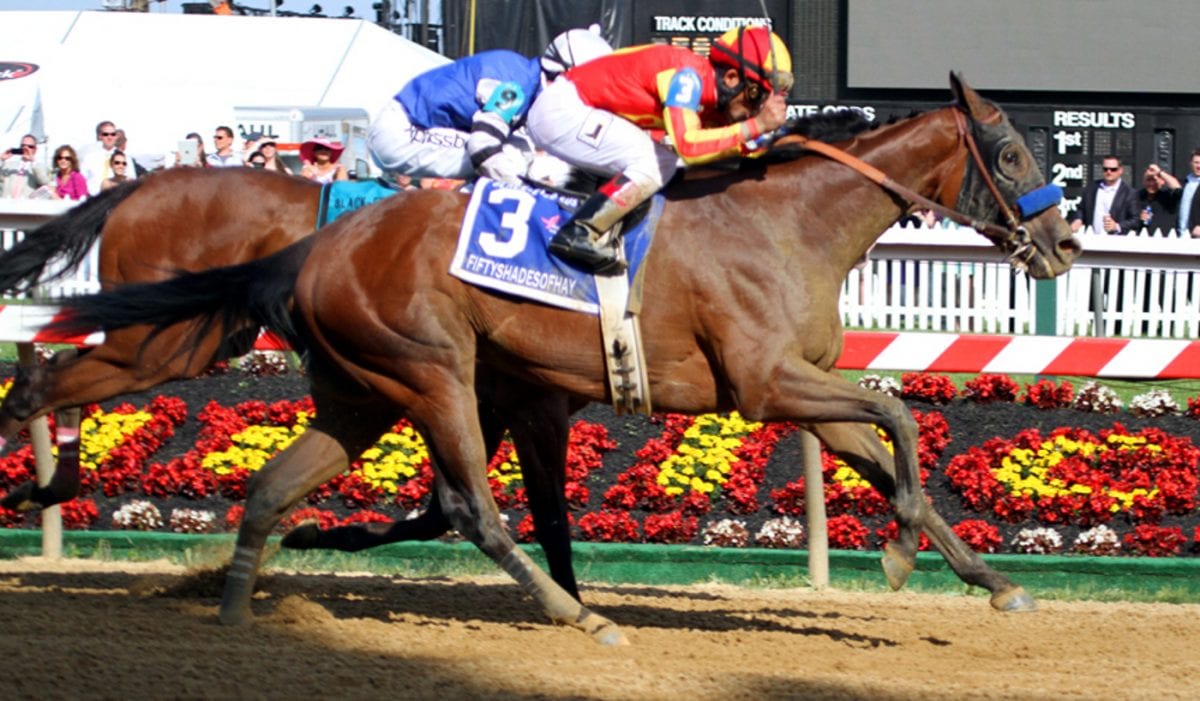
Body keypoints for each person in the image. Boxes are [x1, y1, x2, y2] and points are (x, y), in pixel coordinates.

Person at [527, 25, 791, 273]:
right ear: (732, 78)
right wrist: (757, 125)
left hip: (578, 111)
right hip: (561, 110)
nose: (757, 109)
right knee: (656, 161)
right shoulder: (686, 77)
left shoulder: (718, 101)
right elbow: (689, 146)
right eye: (756, 95)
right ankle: (578, 233)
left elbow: (736, 145)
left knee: (663, 162)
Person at [367, 26, 612, 185]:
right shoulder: (515, 88)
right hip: (400, 133)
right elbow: (482, 146)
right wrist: (526, 190)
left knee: (522, 150)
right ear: (561, 74)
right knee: (513, 158)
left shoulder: (526, 79)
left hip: (411, 126)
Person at [1069, 155, 1140, 236]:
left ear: (1120, 170)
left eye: (1113, 169)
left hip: (1116, 242)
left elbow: (1135, 220)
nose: (1108, 172)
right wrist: (1078, 219)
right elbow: (1081, 209)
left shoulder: (1129, 193)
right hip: (1092, 239)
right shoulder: (1091, 188)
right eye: (1105, 169)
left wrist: (1117, 226)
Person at [80, 120, 134, 195]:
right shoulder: (89, 158)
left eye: (113, 134)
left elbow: (131, 182)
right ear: (100, 136)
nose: (110, 137)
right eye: (106, 134)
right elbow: (81, 182)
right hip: (93, 201)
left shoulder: (126, 159)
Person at [1134, 163, 1181, 235]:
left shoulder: (1168, 196)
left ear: (1162, 181)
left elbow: (1178, 188)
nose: (1151, 183)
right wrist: (1139, 218)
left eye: (1154, 180)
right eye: (1148, 180)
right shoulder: (1137, 197)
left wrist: (1159, 172)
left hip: (1166, 240)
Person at [0, 134, 50, 199]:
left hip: (25, 206)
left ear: (35, 149)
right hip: (6, 205)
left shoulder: (39, 167)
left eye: (30, 146)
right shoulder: (9, 165)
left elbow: (44, 182)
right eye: (23, 146)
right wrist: (1, 159)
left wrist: (33, 161)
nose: (26, 148)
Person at [1175, 149, 1200, 238]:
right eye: (1196, 162)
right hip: (1179, 235)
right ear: (1191, 163)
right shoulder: (1184, 183)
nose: (1199, 166)